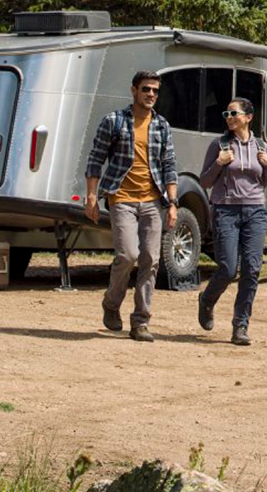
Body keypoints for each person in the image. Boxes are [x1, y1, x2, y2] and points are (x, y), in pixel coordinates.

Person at [83, 70, 179, 342]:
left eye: (155, 91)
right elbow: (95, 159)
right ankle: (111, 304)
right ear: (133, 90)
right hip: (121, 197)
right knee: (127, 255)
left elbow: (170, 166)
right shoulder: (114, 121)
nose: (151, 95)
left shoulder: (162, 126)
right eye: (146, 89)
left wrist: (172, 204)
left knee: (151, 259)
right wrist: (91, 196)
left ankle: (140, 322)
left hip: (152, 201)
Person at [196, 97, 267, 345]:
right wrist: (219, 163)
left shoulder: (261, 146)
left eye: (234, 114)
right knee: (228, 269)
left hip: (255, 211)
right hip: (225, 211)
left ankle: (240, 326)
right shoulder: (219, 144)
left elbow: (262, 182)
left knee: (252, 269)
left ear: (249, 117)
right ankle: (207, 299)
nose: (229, 118)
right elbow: (205, 182)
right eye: (226, 114)